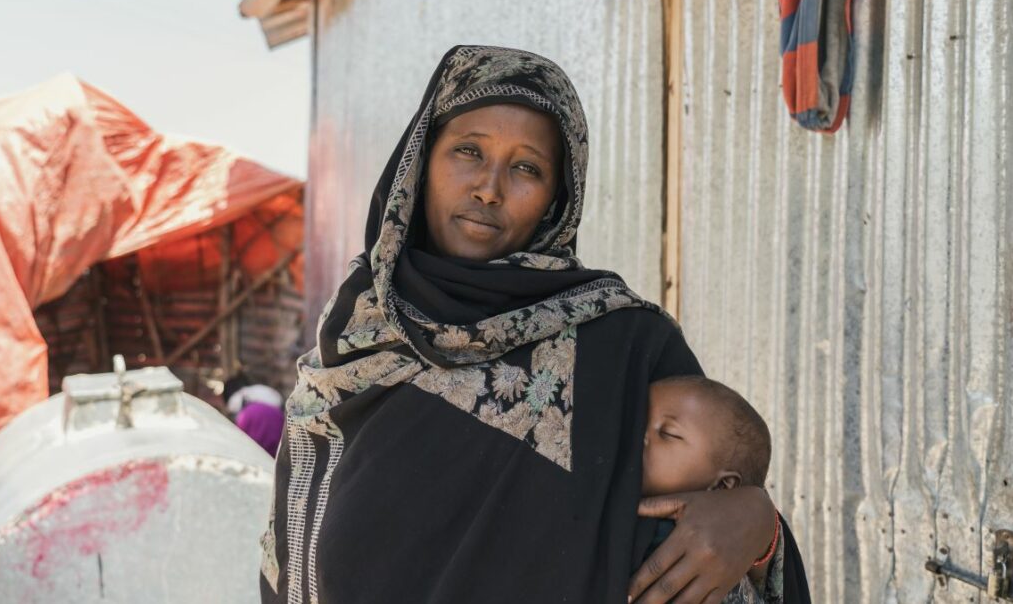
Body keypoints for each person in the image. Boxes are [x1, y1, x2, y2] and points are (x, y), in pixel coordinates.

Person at [259, 45, 809, 603]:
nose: (489, 188)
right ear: (421, 164)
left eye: (527, 167)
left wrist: (758, 525)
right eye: (467, 151)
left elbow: (712, 506)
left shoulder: (625, 343)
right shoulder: (355, 334)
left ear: (556, 198)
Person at [641, 376, 778, 602]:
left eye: (668, 433)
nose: (641, 434)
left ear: (722, 487)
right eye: (639, 421)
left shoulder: (709, 560)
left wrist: (759, 513)